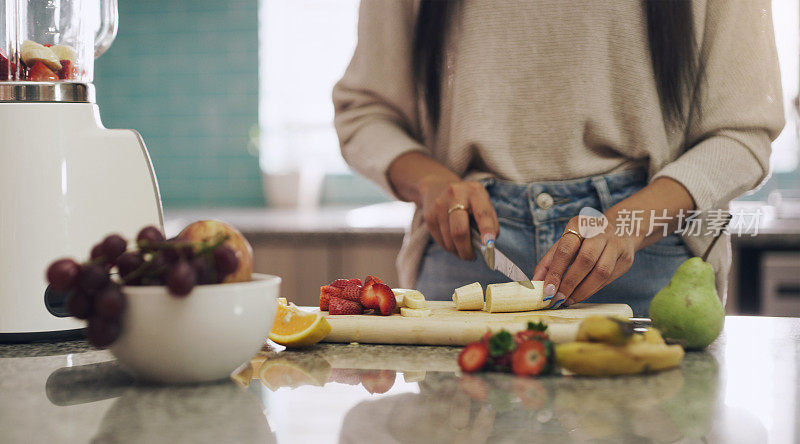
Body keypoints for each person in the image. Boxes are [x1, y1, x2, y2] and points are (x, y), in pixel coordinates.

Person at [333, 0, 784, 316]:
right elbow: (365, 111)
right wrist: (431, 182)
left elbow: (742, 130)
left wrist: (632, 222)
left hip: (650, 256)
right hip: (466, 253)